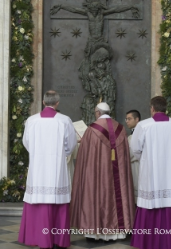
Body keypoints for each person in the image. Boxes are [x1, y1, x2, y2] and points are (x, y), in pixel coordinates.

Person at [18, 90, 77, 249]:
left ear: (43, 102)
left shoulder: (32, 120)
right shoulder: (64, 120)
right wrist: (58, 154)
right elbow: (71, 145)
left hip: (38, 168)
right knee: (57, 201)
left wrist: (38, 153)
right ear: (57, 103)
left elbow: (27, 143)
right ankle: (58, 239)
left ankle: (37, 237)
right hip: (56, 169)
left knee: (38, 199)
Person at [70, 102, 135, 241]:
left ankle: (95, 232)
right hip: (118, 174)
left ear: (98, 113)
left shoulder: (92, 130)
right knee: (118, 192)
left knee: (96, 193)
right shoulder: (121, 129)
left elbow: (84, 157)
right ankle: (119, 230)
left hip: (97, 174)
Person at [130, 96, 171, 249]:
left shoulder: (144, 125)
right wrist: (170, 157)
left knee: (150, 202)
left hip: (151, 173)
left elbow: (135, 149)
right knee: (169, 205)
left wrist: (147, 160)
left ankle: (147, 242)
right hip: (170, 173)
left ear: (152, 108)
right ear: (165, 108)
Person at [125, 109, 141, 203]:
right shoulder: (133, 134)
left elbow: (133, 152)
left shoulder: (139, 133)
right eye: (126, 119)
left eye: (129, 119)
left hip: (138, 166)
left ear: (137, 119)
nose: (127, 121)